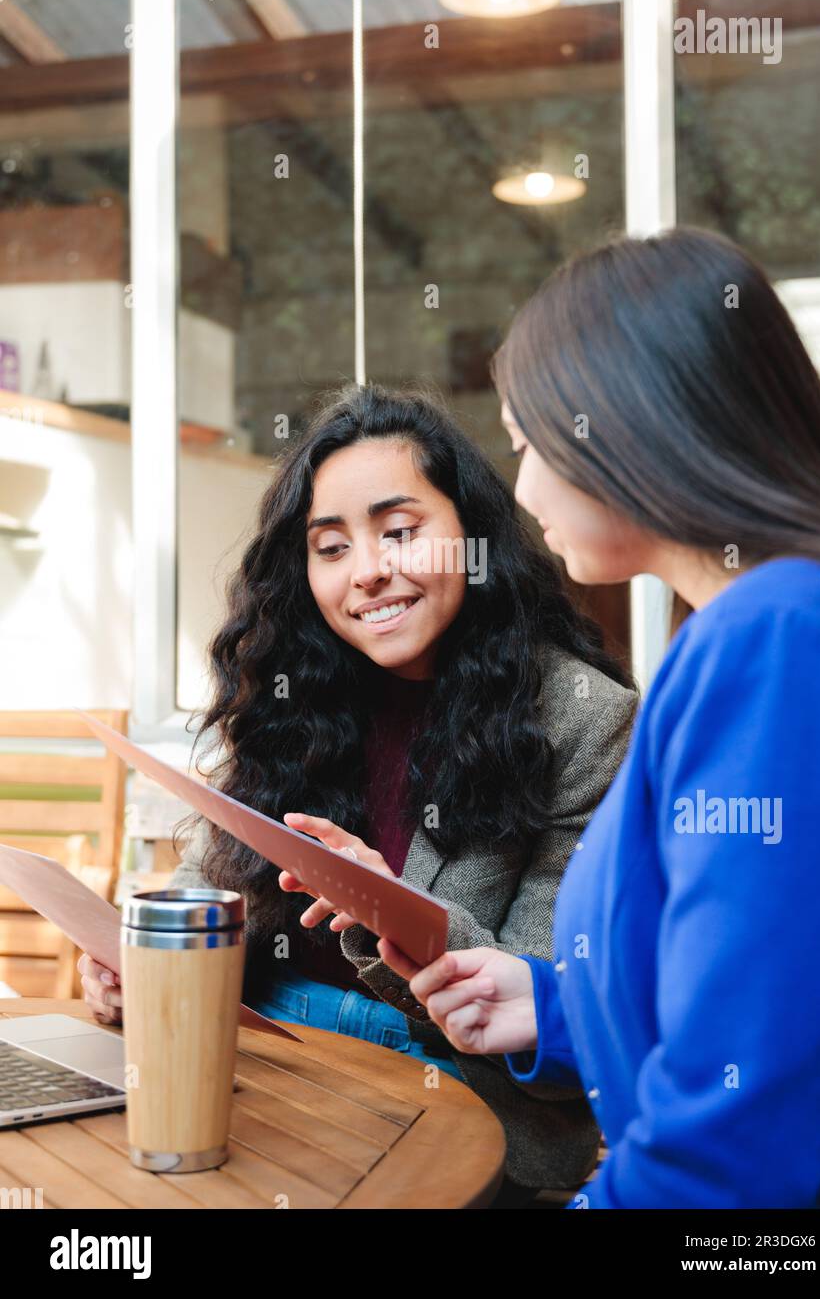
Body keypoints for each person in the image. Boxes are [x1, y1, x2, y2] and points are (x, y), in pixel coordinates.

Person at [374, 227, 820, 1208]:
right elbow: (744, 994)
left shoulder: (775, 639)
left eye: (526, 444)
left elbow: (739, 1129)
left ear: (628, 424)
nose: (521, 490)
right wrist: (551, 1008)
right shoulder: (731, 630)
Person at [80, 385, 636, 1195]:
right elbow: (211, 886)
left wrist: (394, 914)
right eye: (331, 548)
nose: (368, 573)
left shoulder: (584, 721)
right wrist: (146, 964)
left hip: (452, 1112)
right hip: (261, 1068)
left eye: (401, 532)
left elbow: (552, 1032)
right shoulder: (289, 695)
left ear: (471, 537)